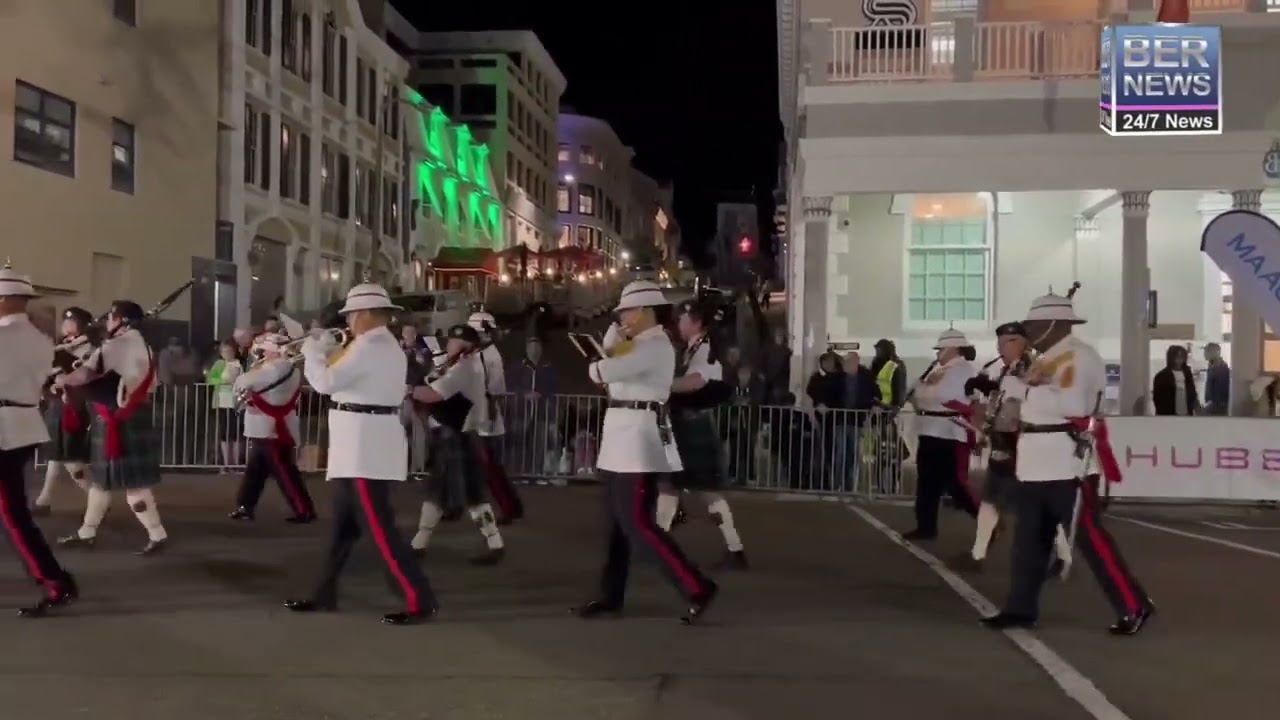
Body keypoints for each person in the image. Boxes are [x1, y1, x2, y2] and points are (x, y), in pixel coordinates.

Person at [982, 290, 1155, 635]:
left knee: (1092, 542)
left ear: (1055, 324)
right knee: (1028, 544)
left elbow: (1073, 406)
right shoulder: (1045, 359)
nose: (1030, 329)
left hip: (1067, 464)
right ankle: (1020, 608)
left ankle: (1134, 606)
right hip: (1034, 463)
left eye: (1035, 323)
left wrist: (1030, 386)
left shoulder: (1078, 357)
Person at [284, 282, 437, 626]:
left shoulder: (370, 346)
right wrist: (322, 350)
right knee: (342, 529)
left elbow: (324, 383)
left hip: (365, 449)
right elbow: (339, 377)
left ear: (367, 313)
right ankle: (324, 593)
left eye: (352, 314)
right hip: (358, 446)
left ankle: (419, 598)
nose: (349, 320)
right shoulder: (372, 344)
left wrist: (311, 352)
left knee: (381, 531)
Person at [573, 280, 718, 625]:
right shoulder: (635, 342)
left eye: (627, 311)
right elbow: (609, 350)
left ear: (647, 311)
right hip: (618, 441)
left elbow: (604, 368)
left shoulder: (655, 345)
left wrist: (598, 362)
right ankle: (611, 596)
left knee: (639, 526)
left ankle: (695, 585)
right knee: (614, 528)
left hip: (638, 443)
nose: (623, 316)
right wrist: (613, 330)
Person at [958, 323, 1072, 574]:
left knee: (1038, 506)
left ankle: (1064, 556)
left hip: (1023, 444)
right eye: (999, 343)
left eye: (1006, 342)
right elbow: (1001, 403)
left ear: (1020, 342)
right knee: (990, 500)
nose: (1001, 348)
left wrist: (996, 389)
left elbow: (1030, 400)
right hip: (1003, 440)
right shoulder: (1006, 369)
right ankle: (978, 554)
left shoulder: (1036, 367)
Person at [58, 300, 168, 555]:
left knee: (134, 486)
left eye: (111, 317)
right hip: (131, 415)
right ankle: (87, 531)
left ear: (121, 320)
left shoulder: (119, 344)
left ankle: (157, 533)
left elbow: (84, 375)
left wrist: (61, 379)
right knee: (101, 483)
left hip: (118, 419)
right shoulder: (143, 345)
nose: (107, 321)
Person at [0, 262, 79, 617]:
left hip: (3, 427)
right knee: (12, 511)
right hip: (23, 425)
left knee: (13, 514)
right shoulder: (41, 340)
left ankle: (55, 581)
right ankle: (54, 579)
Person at [408, 323, 507, 564]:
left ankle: (419, 544)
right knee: (457, 494)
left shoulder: (465, 367)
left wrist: (408, 389)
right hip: (457, 437)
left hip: (455, 437)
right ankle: (494, 544)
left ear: (466, 345)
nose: (449, 344)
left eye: (454, 341)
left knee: (448, 493)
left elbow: (434, 394)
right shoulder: (463, 364)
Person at [660, 301, 748, 570]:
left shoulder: (707, 349)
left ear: (696, 322)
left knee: (704, 490)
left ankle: (735, 549)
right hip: (688, 426)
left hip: (695, 425)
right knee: (670, 483)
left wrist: (659, 386)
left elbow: (696, 381)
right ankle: (658, 542)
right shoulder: (696, 347)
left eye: (683, 319)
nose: (679, 324)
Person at [228, 331, 315, 523]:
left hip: (270, 429)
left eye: (265, 350)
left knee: (284, 472)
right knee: (255, 471)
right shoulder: (293, 369)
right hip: (273, 427)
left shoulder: (272, 370)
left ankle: (304, 509)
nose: (262, 354)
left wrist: (253, 363)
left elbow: (240, 383)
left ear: (275, 351)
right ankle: (246, 506)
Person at [903, 328, 979, 541]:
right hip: (929, 429)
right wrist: (925, 389)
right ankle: (925, 526)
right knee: (927, 484)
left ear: (954, 348)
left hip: (948, 432)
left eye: (941, 349)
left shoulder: (962, 369)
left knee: (955, 484)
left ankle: (986, 521)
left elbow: (944, 396)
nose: (938, 353)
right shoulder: (940, 370)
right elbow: (918, 396)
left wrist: (925, 390)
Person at [33, 307, 96, 515]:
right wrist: (50, 387)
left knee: (71, 459)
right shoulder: (60, 347)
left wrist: (65, 383)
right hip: (57, 406)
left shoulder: (89, 350)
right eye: (65, 322)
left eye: (72, 322)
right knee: (55, 455)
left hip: (74, 407)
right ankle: (44, 500)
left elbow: (88, 379)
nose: (67, 326)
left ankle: (96, 500)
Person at [468, 311, 523, 523]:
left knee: (491, 470)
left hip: (485, 417)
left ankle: (509, 508)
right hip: (477, 415)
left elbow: (496, 390)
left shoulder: (491, 355)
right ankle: (511, 507)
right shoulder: (478, 353)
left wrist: (488, 415)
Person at [205, 340, 244, 470]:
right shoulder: (219, 364)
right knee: (225, 432)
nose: (227, 353)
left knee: (236, 432)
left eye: (229, 351)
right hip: (222, 401)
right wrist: (223, 380)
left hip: (236, 401)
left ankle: (236, 464)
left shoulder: (239, 364)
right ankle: (227, 463)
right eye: (224, 351)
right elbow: (210, 379)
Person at [1152, 345, 1199, 416]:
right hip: (1169, 413)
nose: (1180, 360)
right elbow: (1158, 398)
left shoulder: (1187, 374)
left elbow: (1192, 392)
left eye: (1182, 357)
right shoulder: (1162, 376)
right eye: (1177, 357)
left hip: (1187, 412)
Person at [1202, 342, 1230, 415]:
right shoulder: (1212, 366)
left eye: (1206, 351)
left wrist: (1209, 407)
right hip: (1212, 405)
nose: (1204, 354)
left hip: (1218, 408)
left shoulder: (1221, 369)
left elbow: (1221, 393)